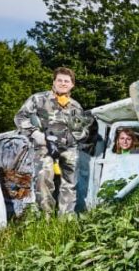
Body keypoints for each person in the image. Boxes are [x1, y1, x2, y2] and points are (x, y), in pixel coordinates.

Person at [14, 67, 90, 216]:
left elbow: (80, 130)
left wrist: (80, 133)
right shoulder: (39, 99)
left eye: (66, 81)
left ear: (72, 85)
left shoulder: (75, 106)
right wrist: (35, 134)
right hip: (45, 147)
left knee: (69, 184)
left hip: (69, 149)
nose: (63, 83)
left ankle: (66, 221)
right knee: (43, 180)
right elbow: (20, 117)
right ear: (54, 82)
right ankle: (46, 219)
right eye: (59, 80)